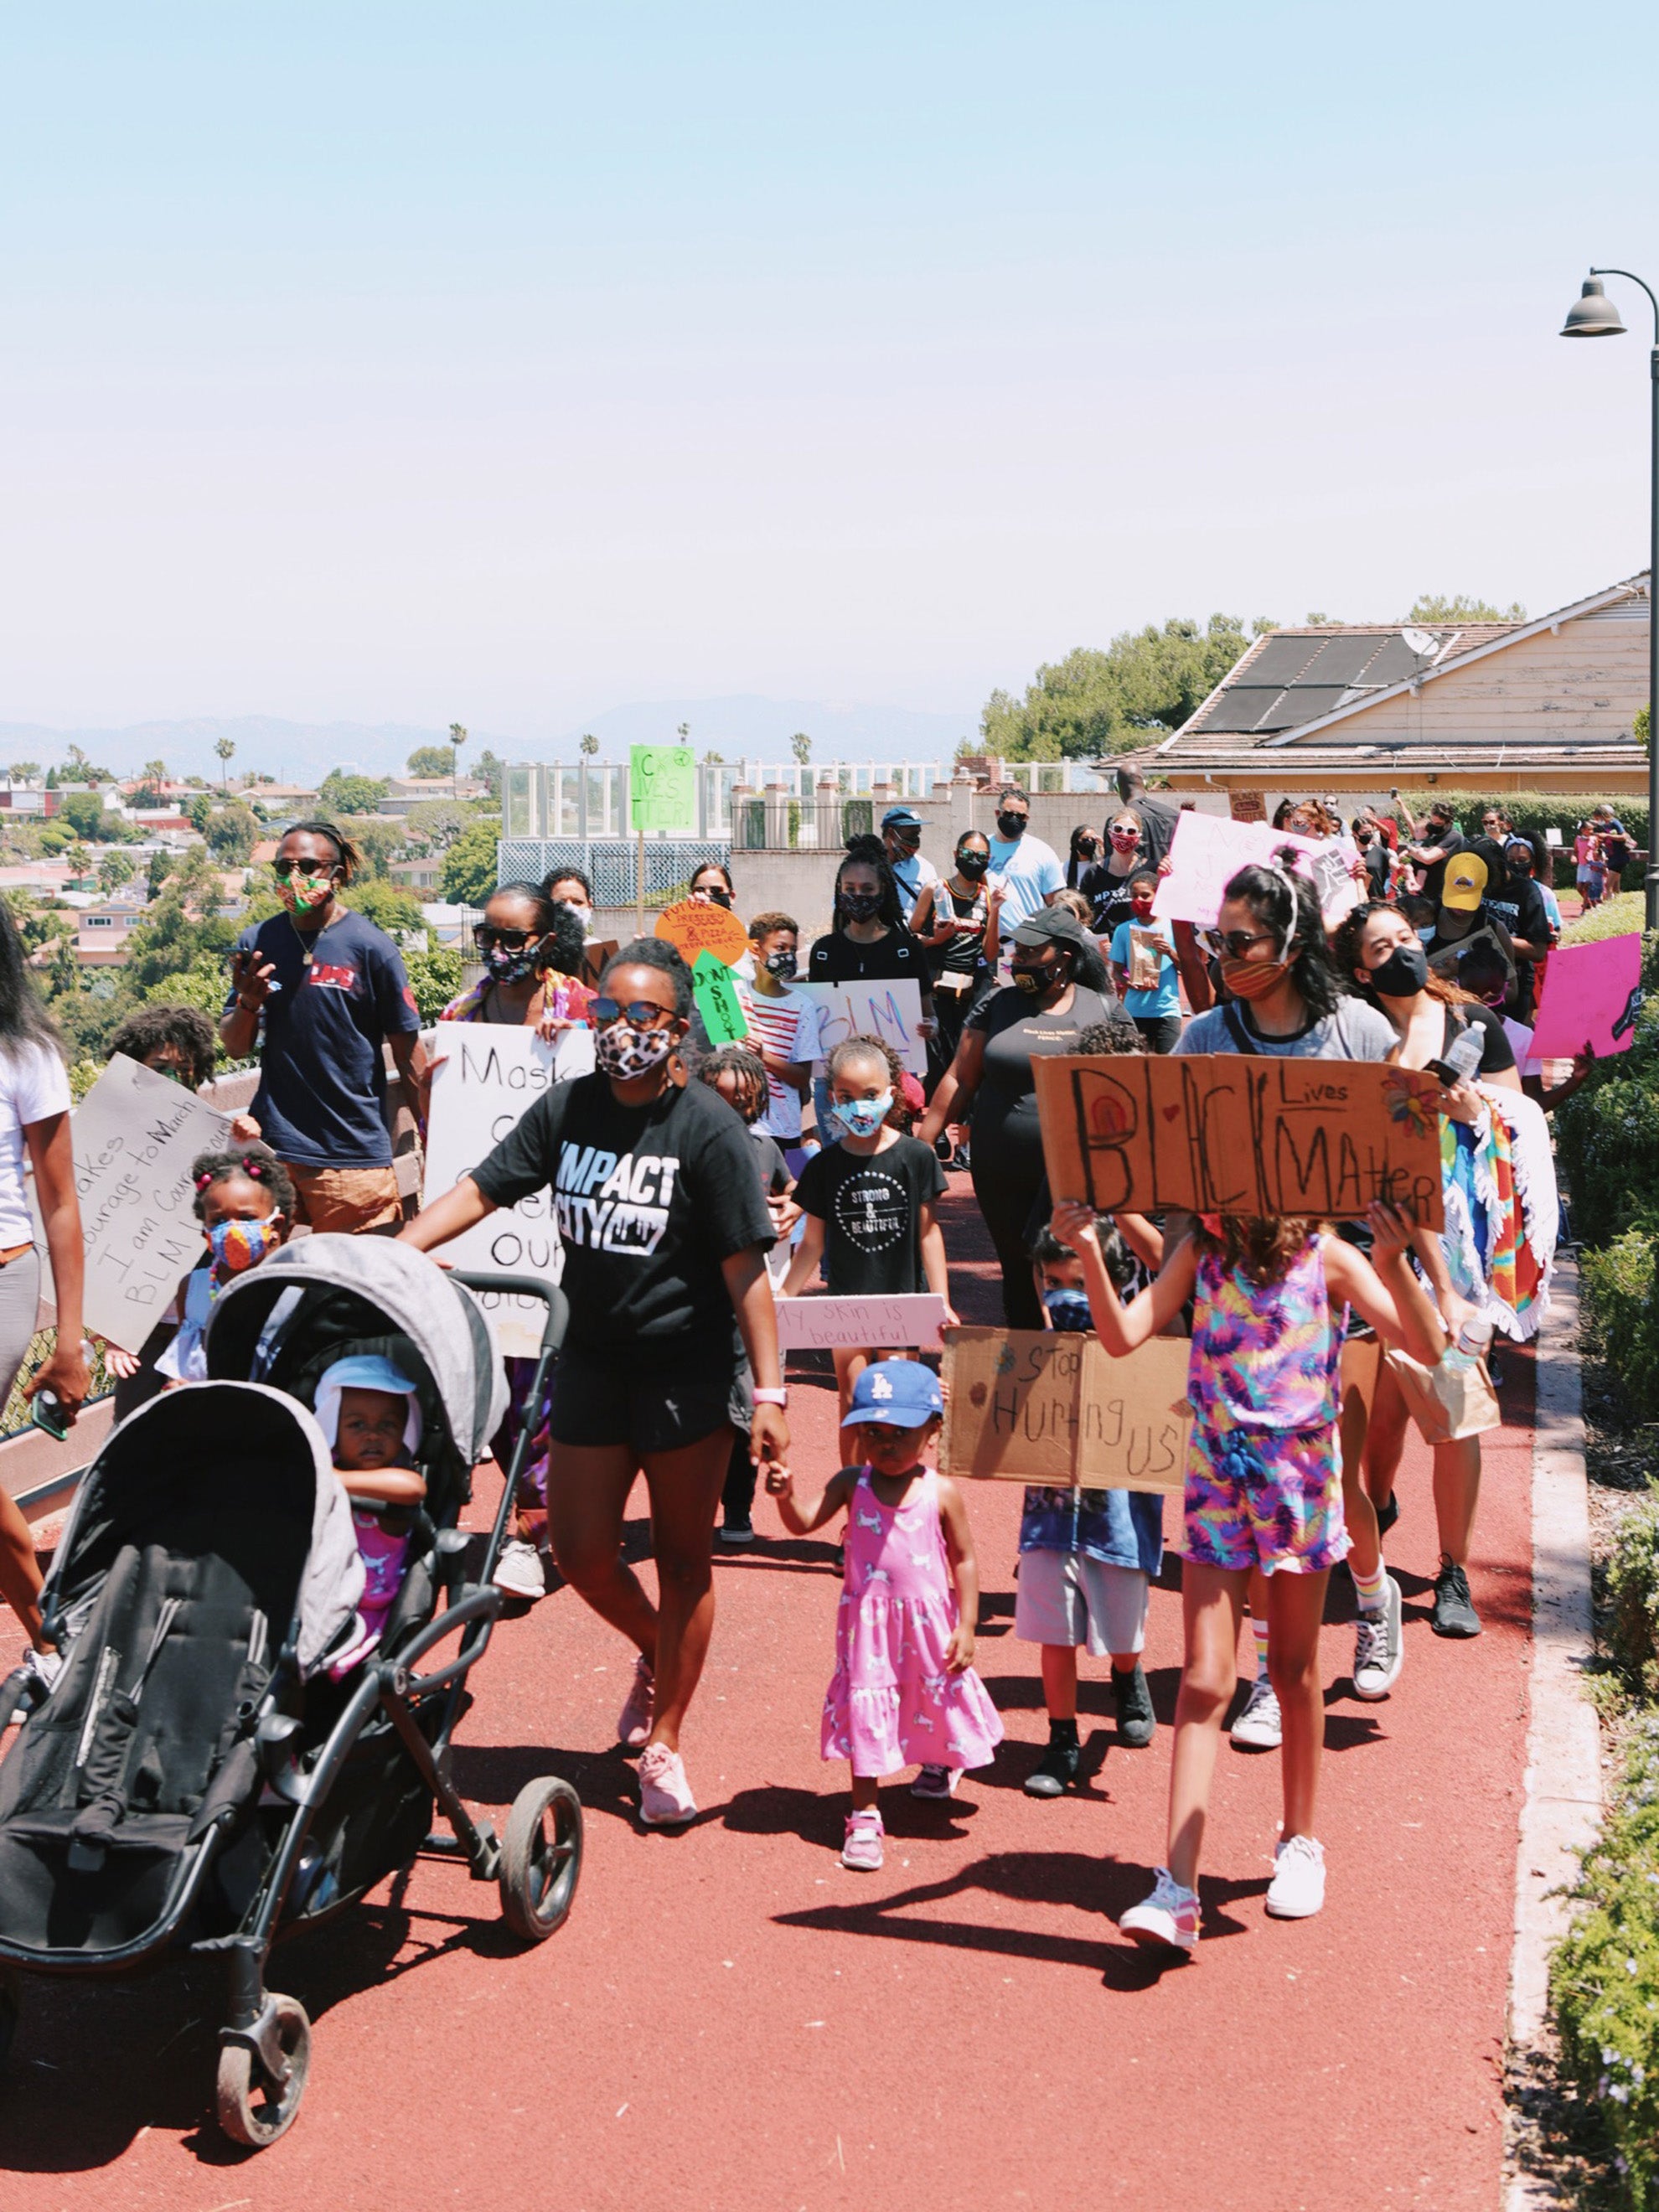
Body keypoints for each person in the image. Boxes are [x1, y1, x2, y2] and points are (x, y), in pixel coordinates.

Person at [399, 938, 788, 1828]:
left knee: (687, 1558)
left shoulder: (709, 1131)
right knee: (576, 1552)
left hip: (687, 1367)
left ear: (678, 1028)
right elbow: (482, 1191)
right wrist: (391, 1250)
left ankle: (667, 1740)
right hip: (593, 1360)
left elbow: (746, 1276)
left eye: (641, 1015)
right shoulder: (568, 1107)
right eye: (606, 1012)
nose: (620, 1030)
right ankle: (659, 1648)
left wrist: (769, 1394)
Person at [1056, 1198, 1444, 1951]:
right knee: (1205, 1680)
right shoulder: (1201, 1253)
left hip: (1297, 1484)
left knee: (1295, 1670)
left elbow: (1429, 1349)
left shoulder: (1329, 1258)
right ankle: (1177, 1888)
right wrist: (1089, 1251)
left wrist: (1396, 1264)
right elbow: (1123, 1335)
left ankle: (1300, 1842)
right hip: (1216, 1479)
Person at [1174, 863, 1402, 1729]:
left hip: (1333, 1281)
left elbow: (1396, 1160)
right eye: (1214, 941)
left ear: (1292, 944)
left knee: (1333, 1477)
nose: (1223, 957)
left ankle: (1374, 1604)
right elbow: (1176, 1169)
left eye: (1239, 943)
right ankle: (1271, 1673)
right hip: (1239, 1300)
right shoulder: (1202, 1038)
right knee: (1254, 1488)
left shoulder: (1358, 1030)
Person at [1332, 902, 1526, 1641]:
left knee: (1453, 1415)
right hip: (1369, 1245)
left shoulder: (1474, 1026)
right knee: (1380, 1418)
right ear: (1360, 971)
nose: (1402, 953)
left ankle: (1453, 1570)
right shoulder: (1354, 1036)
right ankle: (1375, 1515)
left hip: (1457, 1258)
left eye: (1407, 939)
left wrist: (1475, 1110)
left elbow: (1521, 1126)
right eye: (1381, 948)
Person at [767, 1360, 1002, 1871]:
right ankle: (865, 1813)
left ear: (933, 1430)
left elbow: (963, 1557)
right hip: (869, 1628)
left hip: (928, 1622)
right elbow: (805, 1522)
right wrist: (786, 1494)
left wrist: (968, 1624)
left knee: (932, 1690)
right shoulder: (853, 1483)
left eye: (901, 1432)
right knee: (868, 1705)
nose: (886, 1444)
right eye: (873, 1432)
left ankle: (938, 1761)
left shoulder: (941, 1492)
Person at [434, 884, 590, 1603]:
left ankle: (534, 1527)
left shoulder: (582, 1012)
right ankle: (533, 1509)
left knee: (544, 1382)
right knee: (491, 1373)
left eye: (516, 938)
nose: (501, 952)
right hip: (488, 1227)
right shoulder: (460, 1018)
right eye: (489, 937)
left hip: (560, 1229)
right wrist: (424, 1077)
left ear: (547, 938)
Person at [220, 820, 427, 1235]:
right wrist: (248, 1002)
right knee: (264, 1284)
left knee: (353, 1284)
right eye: (284, 868)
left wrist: (432, 1133)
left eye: (310, 866)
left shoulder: (371, 947)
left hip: (351, 1157)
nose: (295, 878)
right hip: (272, 1153)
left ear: (340, 873)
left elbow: (407, 1054)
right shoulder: (257, 941)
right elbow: (234, 1047)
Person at [917, 908, 1119, 1328]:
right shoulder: (998, 1003)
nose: (1019, 961)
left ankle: (1084, 1361)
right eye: (1017, 951)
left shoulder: (1102, 1008)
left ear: (1063, 955)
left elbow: (1131, 1087)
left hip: (1074, 1173)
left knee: (1072, 1263)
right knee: (1017, 1267)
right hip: (999, 1169)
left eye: (1031, 952)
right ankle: (1025, 1366)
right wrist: (920, 1148)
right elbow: (959, 1077)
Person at [1018, 1220, 1161, 1796]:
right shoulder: (1027, 1356)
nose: (1064, 1294)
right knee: (1055, 1629)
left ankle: (1126, 1678)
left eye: (1079, 1281)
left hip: (1118, 1518)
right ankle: (1061, 1737)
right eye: (1053, 1280)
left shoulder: (1143, 1350)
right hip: (1050, 1517)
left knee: (1121, 1626)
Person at [0, 899, 89, 1677]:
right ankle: (51, 1633)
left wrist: (69, 1341)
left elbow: (60, 1203)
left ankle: (50, 1636)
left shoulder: (24, 1055)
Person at [782, 1037, 955, 1414]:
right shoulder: (824, 1167)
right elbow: (812, 1243)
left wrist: (940, 1300)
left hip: (902, 1301)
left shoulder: (916, 1156)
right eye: (846, 1095)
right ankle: (855, 1475)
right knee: (852, 1400)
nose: (858, 1105)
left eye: (870, 1093)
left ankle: (894, 1475)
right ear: (831, 1096)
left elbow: (928, 1233)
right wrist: (785, 1295)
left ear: (891, 1093)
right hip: (847, 1304)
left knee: (900, 1400)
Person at [697, 1044, 798, 1546]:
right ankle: (691, 1503)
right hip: (695, 1300)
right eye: (721, 1097)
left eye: (744, 1100)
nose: (733, 1109)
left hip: (747, 1302)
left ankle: (738, 1507)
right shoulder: (689, 1146)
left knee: (746, 1407)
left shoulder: (765, 1150)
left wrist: (793, 1207)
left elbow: (792, 1188)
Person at [314, 1353, 426, 1672]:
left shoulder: (396, 1478)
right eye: (357, 1424)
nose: (373, 1435)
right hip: (312, 1596)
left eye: (388, 1425)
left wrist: (330, 1481)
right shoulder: (321, 1463)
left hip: (365, 1608)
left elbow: (412, 1488)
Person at [153, 1144, 294, 1384]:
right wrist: (179, 1384)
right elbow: (185, 1360)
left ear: (275, 1226)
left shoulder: (291, 1291)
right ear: (206, 1233)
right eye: (218, 1220)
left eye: (247, 1218)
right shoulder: (192, 1289)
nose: (232, 1230)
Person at [911, 831, 1000, 1093]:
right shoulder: (936, 889)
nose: (974, 861)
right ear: (956, 855)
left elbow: (991, 953)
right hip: (937, 990)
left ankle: (962, 1125)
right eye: (968, 855)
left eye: (981, 856)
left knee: (967, 1062)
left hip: (970, 991)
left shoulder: (988, 896)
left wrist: (997, 910)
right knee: (938, 1061)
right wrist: (935, 940)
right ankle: (934, 1131)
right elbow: (911, 939)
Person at [735, 912, 819, 1172]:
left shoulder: (802, 1005)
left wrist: (764, 1056)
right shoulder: (731, 995)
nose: (788, 956)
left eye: (792, 950)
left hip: (783, 1126)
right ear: (755, 949)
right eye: (780, 948)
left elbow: (802, 1077)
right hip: (737, 1124)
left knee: (789, 1197)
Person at [1422, 850, 1518, 1009]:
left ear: (1483, 890)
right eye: (1455, 897)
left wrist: (1478, 989)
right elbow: (1407, 976)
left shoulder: (1495, 929)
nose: (1460, 907)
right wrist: (1447, 971)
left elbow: (1513, 992)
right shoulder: (1425, 920)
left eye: (1468, 900)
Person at [1109, 875, 1182, 1053]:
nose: (1139, 900)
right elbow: (1116, 971)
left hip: (1166, 1012)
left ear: (1158, 896)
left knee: (1169, 1069)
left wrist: (1170, 952)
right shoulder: (1123, 930)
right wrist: (1127, 982)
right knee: (1135, 1070)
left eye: (1145, 895)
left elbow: (1186, 968)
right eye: (1134, 896)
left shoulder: (1174, 928)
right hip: (1134, 1012)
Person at [984, 786, 1064, 926]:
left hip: (1026, 942)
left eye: (1020, 816)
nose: (1014, 820)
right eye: (1009, 815)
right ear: (998, 813)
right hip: (985, 940)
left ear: (1027, 818)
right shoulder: (981, 847)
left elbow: (1056, 903)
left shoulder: (1042, 851)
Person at [1078, 806, 1148, 943]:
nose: (1124, 835)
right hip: (1105, 952)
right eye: (1118, 829)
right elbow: (1084, 916)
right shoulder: (1093, 872)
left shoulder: (1149, 870)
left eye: (1131, 831)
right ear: (1110, 833)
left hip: (1139, 951)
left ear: (1139, 837)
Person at [1404, 798, 1466, 906]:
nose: (1434, 826)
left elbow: (1427, 858)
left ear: (1449, 822)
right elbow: (1420, 857)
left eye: (1438, 823)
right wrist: (1410, 874)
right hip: (1427, 893)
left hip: (1445, 896)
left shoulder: (1454, 837)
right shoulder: (1434, 834)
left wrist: (1410, 849)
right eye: (1432, 822)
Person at [881, 805, 938, 921]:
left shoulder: (925, 870)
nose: (916, 840)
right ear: (891, 834)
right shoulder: (866, 867)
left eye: (918, 835)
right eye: (912, 835)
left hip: (908, 938)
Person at [542, 866, 597, 939]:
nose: (570, 909)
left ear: (589, 906)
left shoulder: (603, 949)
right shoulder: (535, 949)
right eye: (561, 903)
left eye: (578, 902)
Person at [1574, 820, 1604, 910]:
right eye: (1589, 829)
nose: (1591, 831)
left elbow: (1598, 850)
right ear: (1582, 830)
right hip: (1581, 865)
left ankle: (1585, 908)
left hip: (1590, 865)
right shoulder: (1578, 839)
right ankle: (1589, 902)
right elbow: (1575, 851)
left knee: (1587, 886)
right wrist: (1574, 857)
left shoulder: (1594, 839)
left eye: (1592, 830)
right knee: (1579, 887)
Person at [1065, 824, 1102, 891]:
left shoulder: (1100, 865)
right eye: (1085, 839)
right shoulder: (1065, 867)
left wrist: (1104, 852)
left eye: (1093, 839)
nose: (1090, 841)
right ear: (1075, 842)